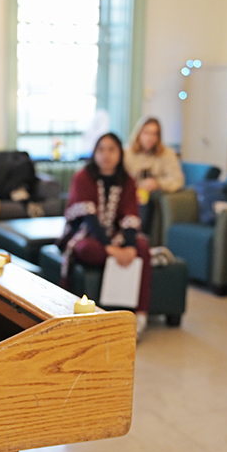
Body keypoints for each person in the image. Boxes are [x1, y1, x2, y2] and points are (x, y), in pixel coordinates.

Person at [57, 133, 152, 335]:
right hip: (86, 233)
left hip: (115, 234)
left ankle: (139, 316)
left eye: (111, 149)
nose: (106, 155)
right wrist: (111, 249)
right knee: (87, 250)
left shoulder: (127, 180)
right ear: (94, 152)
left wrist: (129, 247)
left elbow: (130, 215)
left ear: (120, 153)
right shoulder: (83, 177)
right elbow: (88, 218)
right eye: (101, 149)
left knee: (142, 248)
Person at [123, 117, 185, 241]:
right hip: (129, 193)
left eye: (154, 134)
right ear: (139, 133)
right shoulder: (127, 153)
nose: (150, 137)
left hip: (151, 196)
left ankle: (140, 239)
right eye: (146, 133)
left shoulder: (167, 154)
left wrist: (157, 183)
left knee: (144, 200)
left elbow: (178, 180)